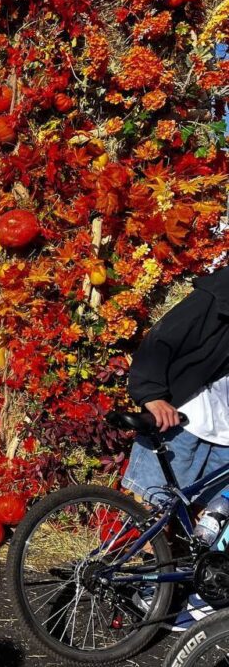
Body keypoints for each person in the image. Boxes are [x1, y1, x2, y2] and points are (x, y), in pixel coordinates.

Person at [121, 266, 229, 627]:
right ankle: (151, 590)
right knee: (159, 511)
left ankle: (200, 599)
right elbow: (160, 341)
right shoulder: (215, 297)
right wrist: (151, 395)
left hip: (227, 430)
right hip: (186, 420)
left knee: (212, 520)